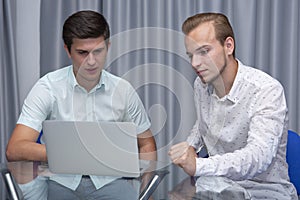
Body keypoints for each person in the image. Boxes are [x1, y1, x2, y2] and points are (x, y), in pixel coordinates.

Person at [6, 10, 157, 199]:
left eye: (98, 51)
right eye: (82, 53)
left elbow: (146, 143)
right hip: (60, 182)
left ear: (108, 47)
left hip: (110, 182)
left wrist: (146, 191)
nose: (91, 61)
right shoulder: (48, 87)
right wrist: (76, 154)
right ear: (67, 51)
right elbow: (15, 149)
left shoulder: (123, 90)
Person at [168, 12, 298, 199]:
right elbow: (203, 123)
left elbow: (258, 157)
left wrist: (198, 165)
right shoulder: (201, 84)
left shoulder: (266, 89)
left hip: (264, 191)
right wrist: (190, 146)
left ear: (228, 46)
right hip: (217, 187)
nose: (195, 63)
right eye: (191, 55)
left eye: (204, 51)